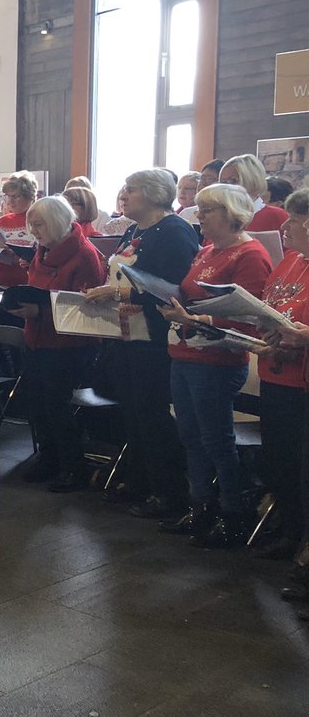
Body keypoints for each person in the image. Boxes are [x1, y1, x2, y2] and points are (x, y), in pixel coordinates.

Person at [158, 183, 272, 546]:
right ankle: (200, 507)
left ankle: (231, 514)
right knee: (190, 437)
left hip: (219, 359)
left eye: (207, 210)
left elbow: (252, 318)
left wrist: (196, 320)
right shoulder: (207, 250)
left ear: (230, 214)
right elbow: (190, 294)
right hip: (186, 353)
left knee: (216, 441)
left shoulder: (250, 254)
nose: (199, 215)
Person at [84, 169, 200, 515]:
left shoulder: (175, 231)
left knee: (152, 415)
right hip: (125, 334)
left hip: (153, 337)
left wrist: (118, 291)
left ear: (152, 194)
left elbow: (175, 289)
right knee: (132, 413)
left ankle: (168, 492)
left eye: (131, 189)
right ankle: (138, 480)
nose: (124, 194)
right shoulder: (136, 229)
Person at [6, 197, 106, 491]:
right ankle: (48, 458)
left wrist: (39, 312)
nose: (33, 231)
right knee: (38, 405)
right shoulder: (44, 250)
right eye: (31, 225)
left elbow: (84, 308)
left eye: (38, 225)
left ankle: (73, 467)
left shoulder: (84, 254)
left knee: (58, 406)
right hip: (37, 339)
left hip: (68, 346)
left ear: (57, 222)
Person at [246, 188, 309, 560]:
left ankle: (300, 539)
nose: (285, 227)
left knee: (300, 468)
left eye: (296, 221)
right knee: (279, 461)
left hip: (299, 381)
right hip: (276, 370)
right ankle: (290, 531)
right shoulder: (291, 261)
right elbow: (270, 305)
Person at [0, 171, 38, 289]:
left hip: (27, 284)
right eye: (7, 196)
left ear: (29, 196)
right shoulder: (3, 221)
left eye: (15, 196)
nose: (9, 201)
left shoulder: (39, 220)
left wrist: (16, 253)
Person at [221, 154, 287, 232]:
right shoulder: (219, 216)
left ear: (252, 181)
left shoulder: (276, 216)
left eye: (232, 181)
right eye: (222, 182)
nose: (225, 187)